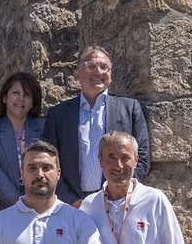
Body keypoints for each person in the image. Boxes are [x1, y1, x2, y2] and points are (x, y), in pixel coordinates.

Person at [41, 46, 150, 205]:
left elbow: (142, 157)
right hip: (72, 206)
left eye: (104, 67)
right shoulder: (58, 115)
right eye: (91, 66)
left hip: (118, 202)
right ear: (77, 74)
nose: (99, 72)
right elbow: (48, 161)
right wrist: (71, 200)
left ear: (110, 74)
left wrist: (120, 191)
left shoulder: (129, 108)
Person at [0, 72, 45, 216]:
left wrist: (34, 201)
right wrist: (17, 201)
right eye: (15, 92)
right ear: (4, 97)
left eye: (27, 94)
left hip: (38, 207)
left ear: (33, 101)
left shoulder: (43, 128)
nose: (21, 99)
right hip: (1, 207)